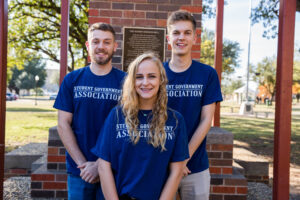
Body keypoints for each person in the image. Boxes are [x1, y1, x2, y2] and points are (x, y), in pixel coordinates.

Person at [91, 52, 189, 200]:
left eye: (152, 76)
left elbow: (177, 170)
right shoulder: (117, 115)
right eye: (139, 77)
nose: (145, 82)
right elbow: (104, 165)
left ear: (161, 80)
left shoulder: (175, 120)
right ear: (132, 81)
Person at [53, 23, 126, 200]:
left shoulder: (126, 81)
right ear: (88, 46)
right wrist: (83, 164)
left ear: (115, 46)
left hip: (114, 168)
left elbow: (129, 128)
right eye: (96, 41)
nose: (101, 46)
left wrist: (100, 165)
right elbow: (63, 124)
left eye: (107, 42)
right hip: (80, 171)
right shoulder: (72, 79)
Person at [164, 10, 223, 200]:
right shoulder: (156, 73)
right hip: (161, 164)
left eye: (187, 33)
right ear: (168, 38)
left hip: (195, 164)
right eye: (176, 33)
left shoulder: (207, 74)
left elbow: (207, 119)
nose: (181, 37)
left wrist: (183, 158)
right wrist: (173, 161)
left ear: (195, 38)